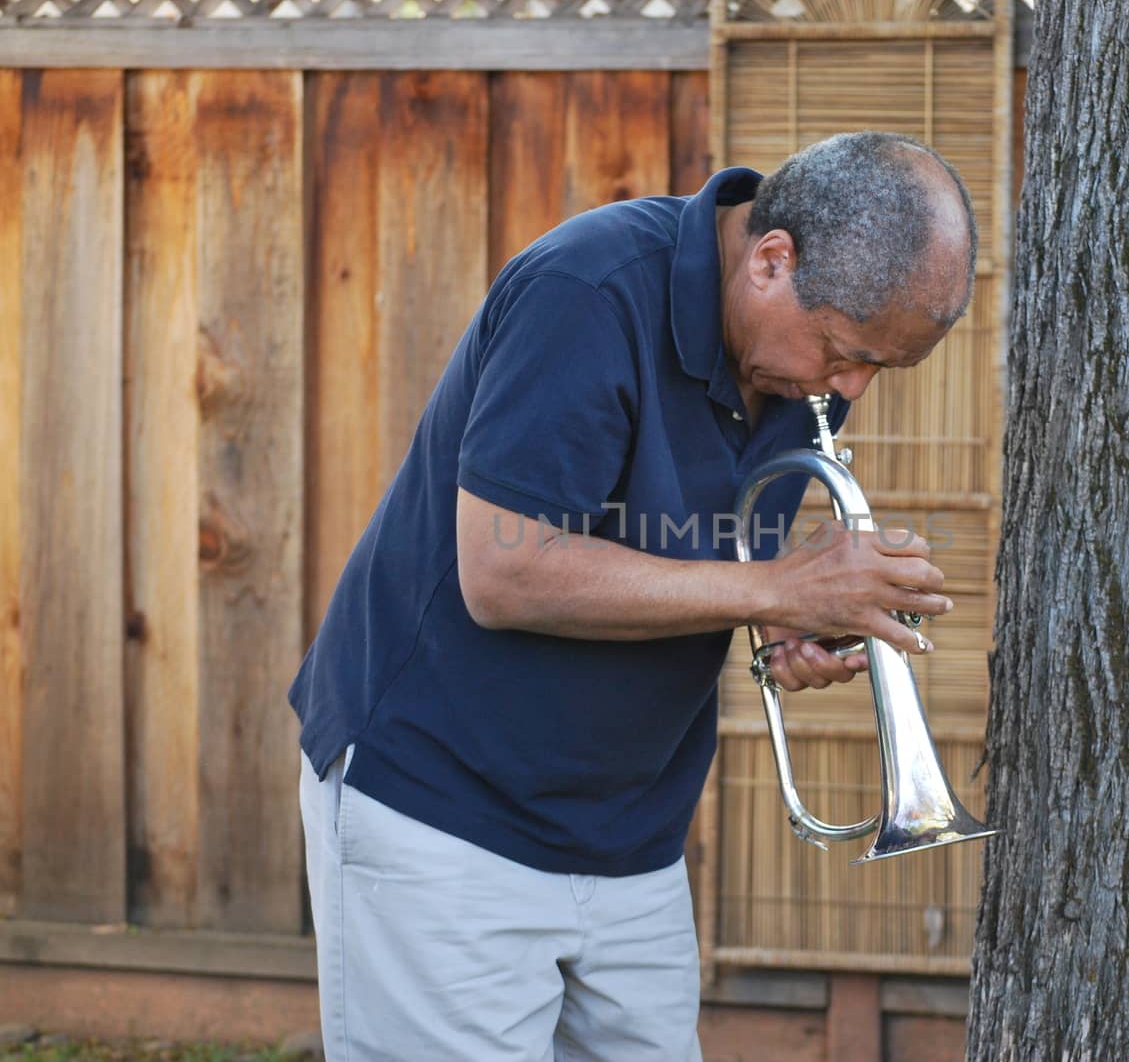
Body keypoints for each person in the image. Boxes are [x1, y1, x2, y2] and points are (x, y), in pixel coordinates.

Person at [291, 130, 977, 1061]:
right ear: (772, 259)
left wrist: (779, 620)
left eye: (879, 369)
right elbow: (506, 571)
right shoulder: (587, 293)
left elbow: (694, 560)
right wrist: (773, 582)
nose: (849, 387)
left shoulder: (793, 360)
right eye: (847, 352)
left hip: (631, 833)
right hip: (442, 810)